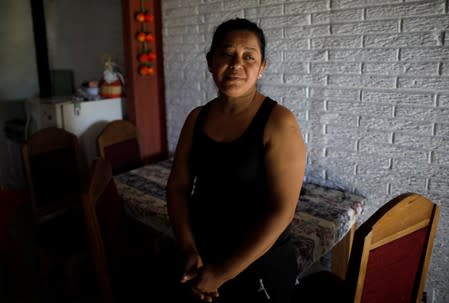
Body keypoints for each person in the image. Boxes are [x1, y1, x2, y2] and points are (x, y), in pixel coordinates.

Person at [166, 18, 307, 303]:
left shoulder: (279, 122)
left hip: (258, 265)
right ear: (210, 61)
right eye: (226, 53)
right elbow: (177, 187)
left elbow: (283, 211)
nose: (236, 64)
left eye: (248, 57)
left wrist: (224, 272)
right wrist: (189, 250)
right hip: (202, 255)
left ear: (262, 67)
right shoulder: (197, 118)